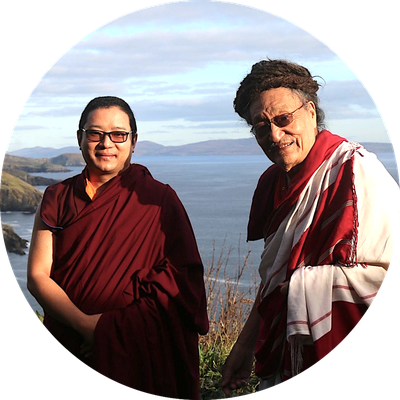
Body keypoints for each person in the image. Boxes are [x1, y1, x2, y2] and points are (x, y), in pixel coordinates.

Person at [221, 59, 399, 395]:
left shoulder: (356, 171)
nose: (275, 135)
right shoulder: (274, 185)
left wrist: (301, 287)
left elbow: (382, 276)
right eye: (261, 127)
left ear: (311, 112)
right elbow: (275, 276)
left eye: (283, 119)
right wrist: (244, 347)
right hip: (286, 355)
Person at [27, 96, 209, 399]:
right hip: (69, 337)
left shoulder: (159, 199)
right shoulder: (57, 196)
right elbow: (37, 276)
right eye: (95, 133)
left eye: (118, 135)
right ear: (79, 138)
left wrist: (112, 329)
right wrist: (88, 327)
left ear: (134, 141)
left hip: (137, 350)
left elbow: (183, 282)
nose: (106, 144)